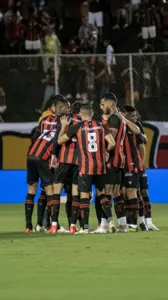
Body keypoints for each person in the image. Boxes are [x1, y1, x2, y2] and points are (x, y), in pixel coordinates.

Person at [57, 104, 116, 234]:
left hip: (85, 167)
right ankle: (110, 220)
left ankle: (85, 228)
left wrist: (63, 126)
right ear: (92, 113)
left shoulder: (76, 127)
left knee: (84, 196)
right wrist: (106, 152)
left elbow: (60, 141)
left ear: (80, 114)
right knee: (102, 194)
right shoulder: (100, 125)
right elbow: (112, 143)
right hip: (100, 166)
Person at [93, 93, 141, 233]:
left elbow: (111, 142)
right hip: (120, 161)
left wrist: (104, 153)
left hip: (111, 161)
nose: (101, 107)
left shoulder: (114, 119)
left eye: (103, 104)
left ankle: (104, 225)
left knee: (103, 192)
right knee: (116, 193)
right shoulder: (120, 118)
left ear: (111, 104)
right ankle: (123, 225)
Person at [24, 95, 70, 233]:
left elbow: (38, 135)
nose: (69, 110)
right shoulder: (63, 122)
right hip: (44, 156)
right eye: (67, 108)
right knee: (50, 190)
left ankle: (29, 226)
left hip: (31, 154)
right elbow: (58, 139)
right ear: (60, 108)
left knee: (32, 189)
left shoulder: (44, 119)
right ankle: (51, 225)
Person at [121, 105, 159, 231]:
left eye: (136, 115)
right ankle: (140, 222)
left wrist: (142, 164)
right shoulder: (120, 126)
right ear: (124, 115)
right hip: (125, 165)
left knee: (142, 192)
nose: (135, 118)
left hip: (136, 165)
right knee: (131, 193)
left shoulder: (136, 126)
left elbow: (143, 143)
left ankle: (147, 222)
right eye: (132, 116)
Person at [50, 101, 82, 234]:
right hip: (78, 161)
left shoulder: (65, 119)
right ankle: (73, 226)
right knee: (75, 194)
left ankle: (54, 225)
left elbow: (57, 139)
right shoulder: (83, 122)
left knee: (56, 192)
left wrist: (53, 154)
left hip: (64, 159)